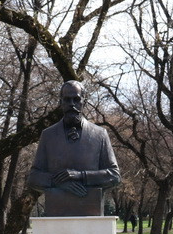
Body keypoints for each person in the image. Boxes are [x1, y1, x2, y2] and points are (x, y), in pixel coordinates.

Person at [27, 80, 121, 216]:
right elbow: (34, 177)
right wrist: (58, 183)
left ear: (84, 101)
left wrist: (81, 176)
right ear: (61, 102)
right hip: (56, 211)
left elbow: (114, 176)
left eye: (76, 99)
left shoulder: (100, 135)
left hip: (91, 211)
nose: (71, 104)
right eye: (67, 99)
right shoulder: (48, 135)